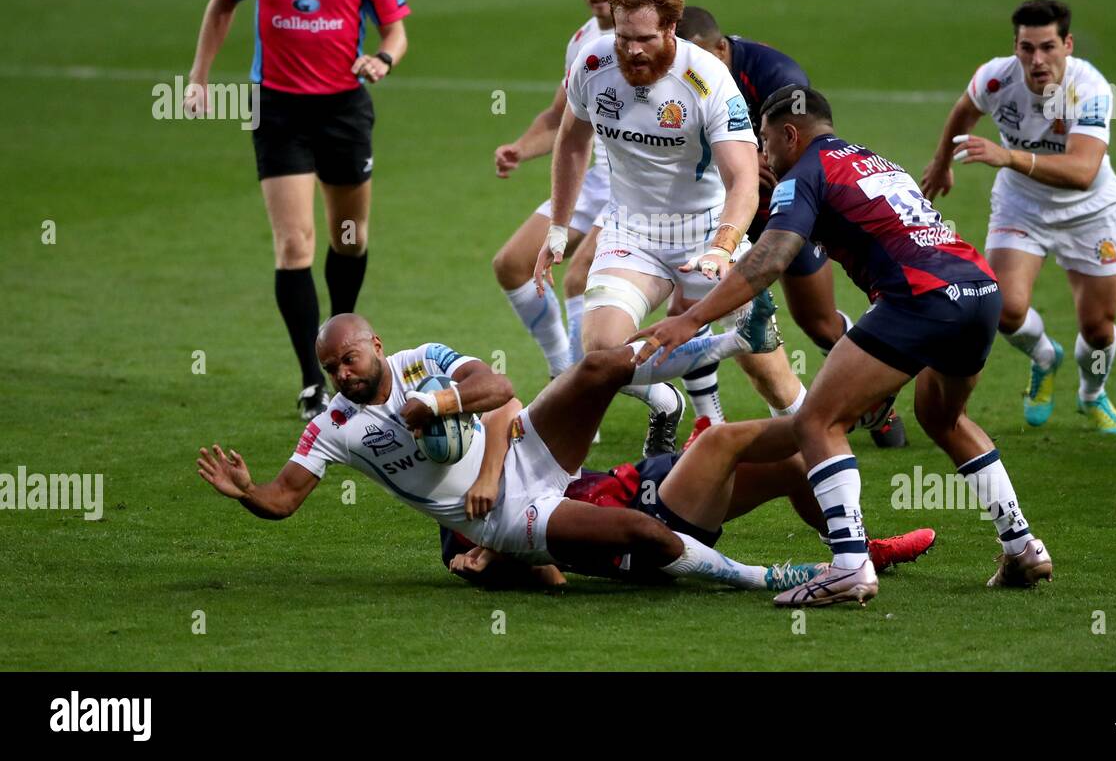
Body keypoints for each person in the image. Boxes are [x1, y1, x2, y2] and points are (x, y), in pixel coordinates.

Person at [632, 87, 1053, 607]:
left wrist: (691, 318)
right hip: (979, 291)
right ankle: (1022, 545)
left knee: (816, 422)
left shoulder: (805, 173)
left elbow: (770, 259)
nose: (763, 154)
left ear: (790, 134)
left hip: (919, 298)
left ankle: (851, 567)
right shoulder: (872, 160)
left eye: (765, 140)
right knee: (943, 418)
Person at [196, 305, 825, 591]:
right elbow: (284, 499)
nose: (342, 374)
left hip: (524, 453)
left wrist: (436, 405)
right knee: (644, 532)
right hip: (505, 517)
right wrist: (247, 492)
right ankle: (762, 577)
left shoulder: (422, 362)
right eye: (331, 367)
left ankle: (735, 342)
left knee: (597, 367)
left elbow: (498, 389)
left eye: (349, 358)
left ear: (377, 345)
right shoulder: (333, 424)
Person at [535, 0, 805, 459]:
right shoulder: (592, 63)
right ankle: (668, 399)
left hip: (705, 234)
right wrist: (558, 227)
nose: (632, 50)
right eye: (623, 37)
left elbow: (743, 179)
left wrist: (722, 248)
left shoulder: (707, 78)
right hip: (631, 233)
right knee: (603, 353)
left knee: (773, 379)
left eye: (644, 39)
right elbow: (572, 142)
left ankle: (812, 443)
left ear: (670, 29)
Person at [186, 0, 409, 420]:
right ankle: (314, 379)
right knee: (293, 244)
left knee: (349, 238)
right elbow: (221, 5)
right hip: (279, 110)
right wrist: (199, 77)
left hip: (343, 110)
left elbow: (396, 29)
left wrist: (383, 59)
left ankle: (342, 343)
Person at [677, 6, 907, 449]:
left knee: (817, 321)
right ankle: (708, 422)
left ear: (721, 48)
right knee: (689, 303)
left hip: (784, 209)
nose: (693, 68)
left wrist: (753, 157)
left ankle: (875, 395)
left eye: (702, 57)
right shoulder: (680, 75)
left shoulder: (777, 76)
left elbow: (807, 145)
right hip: (716, 209)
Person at [920, 0, 1116, 434]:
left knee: (1098, 327)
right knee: (1006, 310)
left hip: (1090, 213)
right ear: (1015, 47)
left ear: (1067, 45)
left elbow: (1083, 172)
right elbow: (964, 110)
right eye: (1026, 48)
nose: (1037, 60)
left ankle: (1092, 394)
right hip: (1022, 206)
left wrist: (1008, 157)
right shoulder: (996, 77)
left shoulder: (1090, 89)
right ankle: (1044, 357)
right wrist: (941, 163)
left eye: (1048, 47)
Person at [441, 421, 936, 589]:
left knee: (793, 466)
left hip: (648, 484)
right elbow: (554, 576)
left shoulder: (501, 454)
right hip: (642, 533)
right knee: (720, 441)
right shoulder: (462, 530)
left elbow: (508, 411)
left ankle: (857, 552)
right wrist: (495, 563)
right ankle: (829, 416)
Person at [491, 0, 638, 379]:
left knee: (579, 279)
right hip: (597, 180)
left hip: (640, 186)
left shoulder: (650, 37)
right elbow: (560, 118)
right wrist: (520, 149)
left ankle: (579, 392)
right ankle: (562, 371)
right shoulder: (582, 41)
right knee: (512, 265)